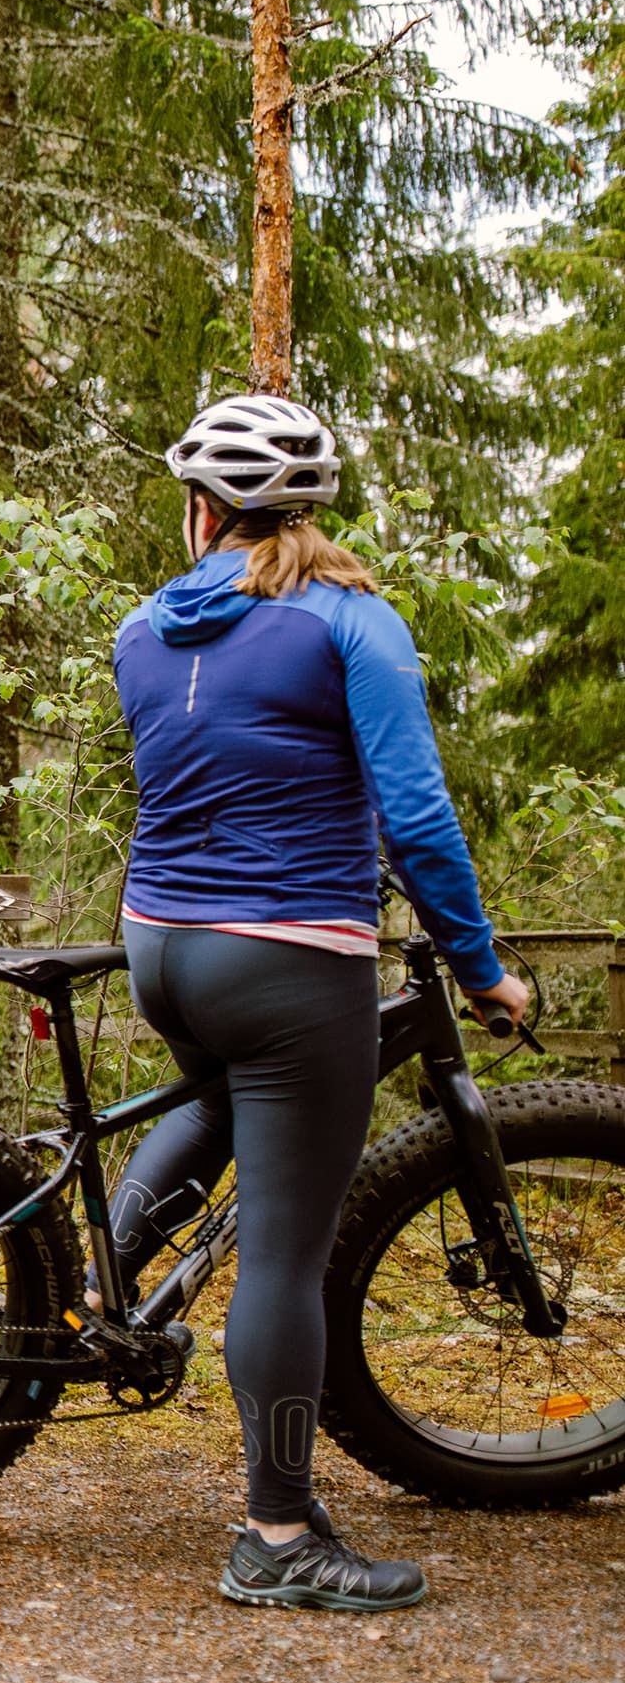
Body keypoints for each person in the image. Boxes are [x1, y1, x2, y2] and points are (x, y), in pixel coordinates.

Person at [109, 391, 530, 1614]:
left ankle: (102, 1282)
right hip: (289, 959)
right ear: (306, 507)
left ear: (205, 511)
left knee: (222, 1101)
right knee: (285, 1254)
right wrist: (479, 964)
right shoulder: (352, 621)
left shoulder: (143, 628)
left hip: (160, 943)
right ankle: (277, 1531)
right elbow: (417, 815)